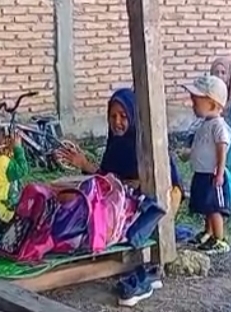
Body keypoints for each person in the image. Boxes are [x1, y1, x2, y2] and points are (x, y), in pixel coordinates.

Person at [57, 88, 185, 216]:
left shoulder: (148, 145)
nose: (117, 122)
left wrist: (140, 183)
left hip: (147, 210)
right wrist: (84, 164)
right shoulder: (116, 144)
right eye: (113, 116)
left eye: (123, 116)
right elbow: (108, 179)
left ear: (133, 115)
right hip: (118, 205)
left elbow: (169, 185)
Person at [180, 74, 231, 254]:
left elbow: (221, 148)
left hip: (212, 174)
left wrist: (220, 173)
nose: (192, 105)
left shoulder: (218, 126)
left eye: (196, 102)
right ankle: (208, 233)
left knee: (214, 208)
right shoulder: (204, 124)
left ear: (211, 104)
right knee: (206, 206)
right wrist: (189, 154)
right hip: (201, 173)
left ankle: (220, 239)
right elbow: (202, 146)